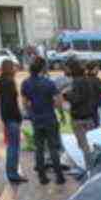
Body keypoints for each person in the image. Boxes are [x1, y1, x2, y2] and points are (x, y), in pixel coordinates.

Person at [20, 56, 65, 185]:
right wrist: (61, 114)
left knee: (39, 148)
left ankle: (42, 177)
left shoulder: (25, 83)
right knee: (53, 148)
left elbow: (25, 103)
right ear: (42, 69)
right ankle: (59, 176)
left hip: (36, 119)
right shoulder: (49, 83)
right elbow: (58, 102)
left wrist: (31, 113)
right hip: (50, 118)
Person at [63, 59, 101, 176]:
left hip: (79, 118)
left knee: (84, 146)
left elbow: (77, 98)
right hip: (89, 116)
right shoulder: (86, 80)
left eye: (67, 68)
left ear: (72, 69)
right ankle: (94, 167)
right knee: (90, 144)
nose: (65, 70)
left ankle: (90, 171)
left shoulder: (77, 81)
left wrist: (66, 95)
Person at [0, 59, 27, 184]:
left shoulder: (1, 81)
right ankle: (12, 173)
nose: (16, 69)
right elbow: (11, 103)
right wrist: (18, 116)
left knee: (12, 145)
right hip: (12, 117)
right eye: (14, 67)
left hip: (7, 116)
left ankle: (11, 172)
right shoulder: (8, 82)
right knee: (14, 146)